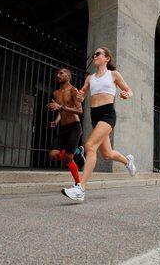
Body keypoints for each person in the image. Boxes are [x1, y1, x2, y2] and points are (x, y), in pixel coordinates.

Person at [61, 47, 137, 202]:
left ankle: (81, 188)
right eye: (94, 54)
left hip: (108, 114)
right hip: (95, 116)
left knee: (90, 146)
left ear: (107, 58)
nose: (94, 56)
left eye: (98, 54)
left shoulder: (113, 74)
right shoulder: (90, 78)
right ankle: (127, 161)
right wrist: (80, 97)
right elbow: (81, 95)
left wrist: (126, 94)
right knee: (107, 154)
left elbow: (129, 90)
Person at [48, 68, 85, 185]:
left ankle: (78, 183)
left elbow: (80, 111)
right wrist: (56, 121)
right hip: (63, 128)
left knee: (68, 159)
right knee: (53, 155)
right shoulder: (56, 93)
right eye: (57, 73)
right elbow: (60, 111)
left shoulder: (73, 90)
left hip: (75, 127)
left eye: (61, 73)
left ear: (68, 76)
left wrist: (61, 107)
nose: (57, 75)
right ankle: (78, 150)